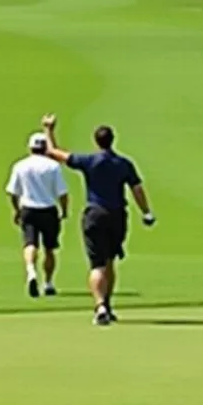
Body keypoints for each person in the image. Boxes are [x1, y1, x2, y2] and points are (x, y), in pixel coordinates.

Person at [41, 114, 154, 326]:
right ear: (113, 140)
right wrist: (146, 213)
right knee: (110, 261)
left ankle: (100, 305)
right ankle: (108, 306)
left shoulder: (90, 161)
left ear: (96, 141)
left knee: (97, 264)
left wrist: (49, 130)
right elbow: (137, 189)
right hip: (117, 215)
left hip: (95, 214)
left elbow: (53, 153)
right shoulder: (123, 163)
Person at [6, 132, 70, 298]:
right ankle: (48, 283)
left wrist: (16, 210)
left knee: (30, 243)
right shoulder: (52, 166)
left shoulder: (20, 166)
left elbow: (13, 192)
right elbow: (62, 193)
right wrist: (64, 210)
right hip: (48, 209)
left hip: (28, 208)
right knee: (50, 249)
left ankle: (31, 271)